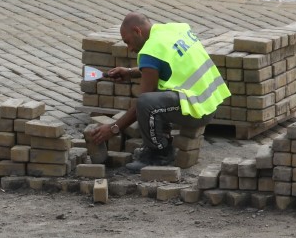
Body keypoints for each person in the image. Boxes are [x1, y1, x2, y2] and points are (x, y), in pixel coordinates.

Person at [88, 12, 230, 168]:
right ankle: (163, 136)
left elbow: (141, 105)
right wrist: (130, 72)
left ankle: (159, 153)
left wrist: (114, 128)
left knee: (146, 103)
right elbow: (167, 64)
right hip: (210, 101)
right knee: (154, 98)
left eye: (128, 42)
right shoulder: (174, 29)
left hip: (198, 109)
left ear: (137, 31)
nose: (129, 48)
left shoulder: (150, 51)